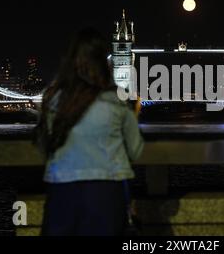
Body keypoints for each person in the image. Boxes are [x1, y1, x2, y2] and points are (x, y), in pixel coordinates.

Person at [36, 27, 144, 236]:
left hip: (61, 192)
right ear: (105, 62)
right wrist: (135, 113)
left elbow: (44, 148)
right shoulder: (116, 102)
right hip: (106, 194)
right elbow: (136, 150)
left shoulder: (52, 101)